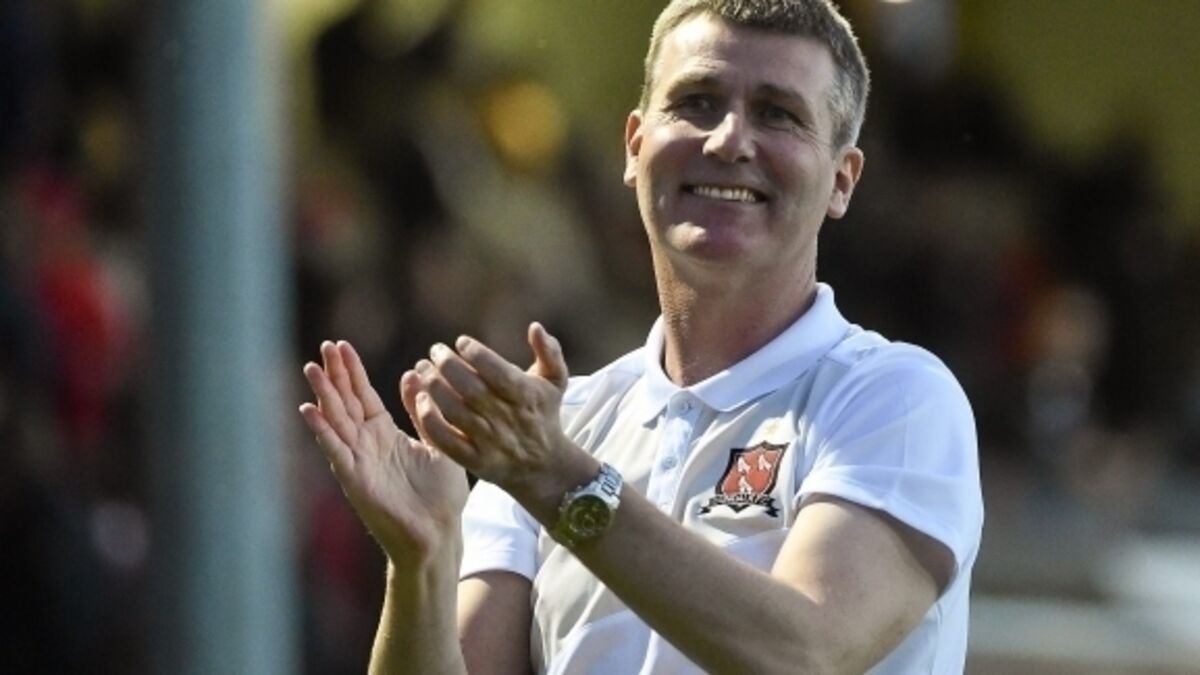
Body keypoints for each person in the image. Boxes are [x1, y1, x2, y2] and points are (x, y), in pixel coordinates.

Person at [299, 1, 984, 672]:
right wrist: (421, 561)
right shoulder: (556, 428)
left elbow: (805, 655)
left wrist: (558, 479)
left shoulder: (894, 398)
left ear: (841, 180)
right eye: (697, 102)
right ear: (634, 147)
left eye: (778, 113)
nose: (728, 140)